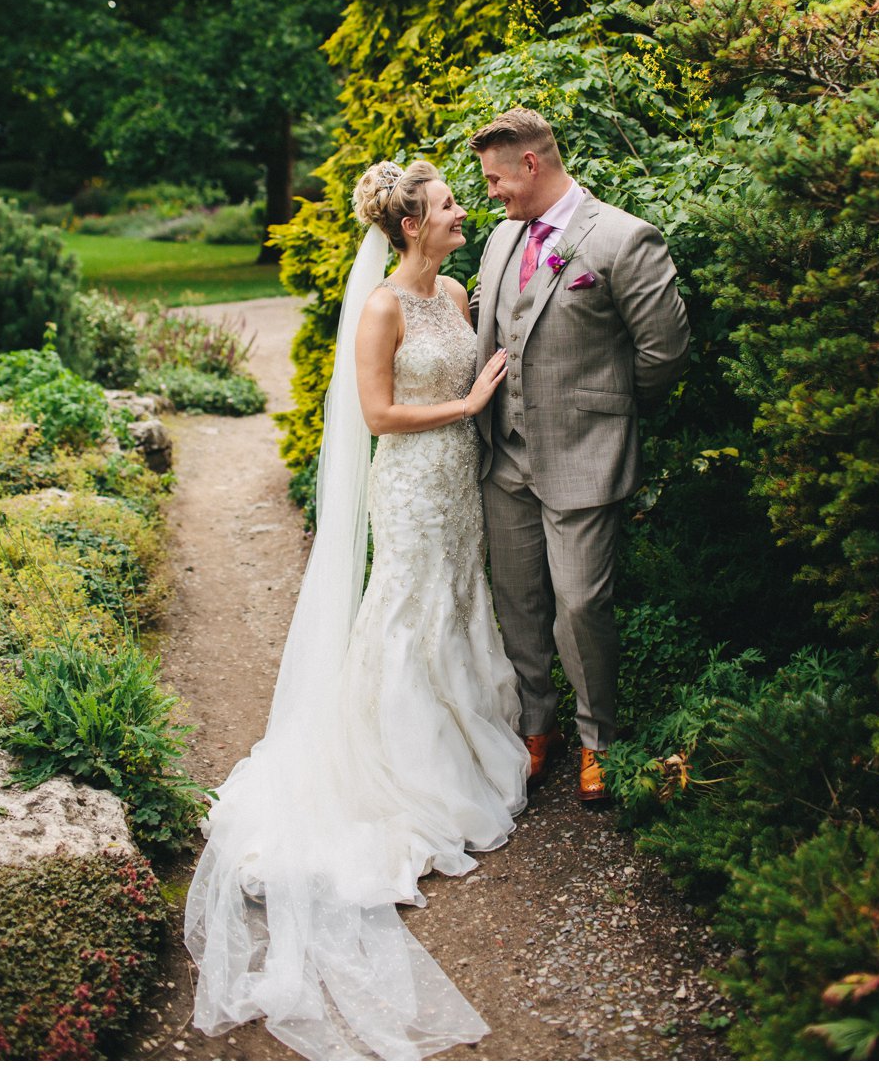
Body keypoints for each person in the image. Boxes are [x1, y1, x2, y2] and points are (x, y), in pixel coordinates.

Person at [185, 159, 527, 1060]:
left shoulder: (455, 290)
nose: (463, 213)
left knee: (457, 602)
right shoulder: (378, 307)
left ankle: (463, 730)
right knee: (407, 611)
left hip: (460, 485)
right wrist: (467, 402)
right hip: (412, 485)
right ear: (411, 225)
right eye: (451, 205)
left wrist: (477, 405)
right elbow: (376, 415)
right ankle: (405, 762)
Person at [468, 108, 689, 806]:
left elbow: (665, 351)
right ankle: (539, 725)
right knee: (518, 599)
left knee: (582, 604)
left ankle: (601, 741)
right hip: (504, 455)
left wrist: (611, 413)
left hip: (584, 455)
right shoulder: (502, 241)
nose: (492, 193)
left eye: (497, 178)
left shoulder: (624, 239)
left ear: (531, 164)